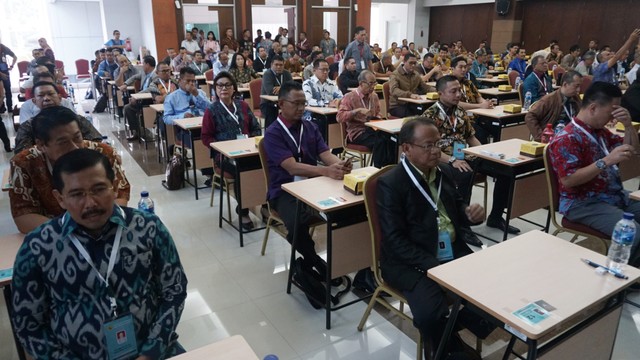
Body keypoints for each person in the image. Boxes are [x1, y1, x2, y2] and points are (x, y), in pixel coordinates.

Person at [11, 148, 187, 359]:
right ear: (60, 198)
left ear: (114, 188)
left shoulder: (147, 227)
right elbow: (27, 324)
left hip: (152, 351)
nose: (91, 203)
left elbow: (175, 290)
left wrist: (152, 350)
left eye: (99, 189)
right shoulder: (38, 246)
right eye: (77, 194)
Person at [377, 116, 491, 359]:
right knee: (430, 314)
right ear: (406, 148)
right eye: (427, 145)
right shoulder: (391, 183)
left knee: (490, 291)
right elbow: (395, 241)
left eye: (438, 144)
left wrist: (469, 215)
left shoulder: (442, 172)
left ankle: (449, 333)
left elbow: (457, 207)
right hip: (411, 261)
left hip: (450, 250)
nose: (436, 151)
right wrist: (436, 268)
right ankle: (444, 343)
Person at [263, 81, 352, 285]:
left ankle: (353, 263)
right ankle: (316, 261)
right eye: (296, 103)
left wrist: (340, 165)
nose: (302, 108)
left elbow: (326, 154)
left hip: (313, 186)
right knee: (297, 222)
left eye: (304, 103)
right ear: (281, 104)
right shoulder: (273, 133)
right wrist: (326, 171)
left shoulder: (310, 126)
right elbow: (292, 167)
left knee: (348, 211)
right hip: (284, 191)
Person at [547, 81, 640, 265]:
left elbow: (632, 150)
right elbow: (568, 180)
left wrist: (629, 126)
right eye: (610, 112)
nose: (612, 118)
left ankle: (633, 266)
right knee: (632, 231)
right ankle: (624, 278)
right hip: (582, 202)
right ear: (593, 108)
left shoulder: (600, 131)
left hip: (611, 195)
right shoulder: (567, 138)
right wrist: (606, 161)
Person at [423, 75, 521, 236]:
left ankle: (496, 217)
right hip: (441, 158)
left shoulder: (461, 111)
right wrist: (452, 160)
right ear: (440, 93)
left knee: (506, 171)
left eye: (459, 91)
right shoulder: (430, 116)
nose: (458, 95)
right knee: (465, 175)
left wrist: (485, 153)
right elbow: (429, 149)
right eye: (453, 91)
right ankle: (462, 224)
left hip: (465, 155)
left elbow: (470, 137)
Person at [10, 107, 129, 234]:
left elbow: (120, 196)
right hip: (54, 235)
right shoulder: (24, 163)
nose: (74, 147)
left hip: (101, 228)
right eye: (63, 142)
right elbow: (23, 216)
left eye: (77, 138)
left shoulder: (103, 153)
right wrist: (72, 232)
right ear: (41, 145)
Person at [202, 72, 262, 229]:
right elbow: (206, 137)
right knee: (240, 171)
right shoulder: (211, 110)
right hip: (224, 156)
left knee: (266, 167)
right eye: (220, 85)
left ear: (234, 88)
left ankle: (266, 206)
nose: (224, 88)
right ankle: (243, 212)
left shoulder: (242, 105)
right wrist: (221, 148)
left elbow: (256, 127)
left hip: (247, 150)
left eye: (227, 85)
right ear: (215, 89)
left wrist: (252, 141)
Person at [15, 80, 100, 153]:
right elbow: (23, 154)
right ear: (34, 101)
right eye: (41, 96)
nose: (46, 98)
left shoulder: (77, 119)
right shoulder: (28, 126)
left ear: (59, 98)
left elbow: (97, 144)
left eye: (50, 94)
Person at [337, 70, 395, 167]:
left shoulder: (374, 96)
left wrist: (377, 117)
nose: (373, 87)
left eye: (374, 83)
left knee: (392, 138)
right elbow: (339, 117)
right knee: (380, 142)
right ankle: (378, 171)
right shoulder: (349, 97)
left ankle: (389, 169)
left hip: (372, 128)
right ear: (361, 84)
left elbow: (378, 113)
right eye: (370, 84)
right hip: (357, 132)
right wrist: (357, 111)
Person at [525, 70, 583, 141]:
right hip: (554, 137)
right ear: (565, 84)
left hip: (572, 135)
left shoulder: (576, 98)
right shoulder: (549, 99)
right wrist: (540, 136)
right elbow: (530, 116)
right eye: (576, 86)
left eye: (580, 86)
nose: (578, 90)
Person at [163, 67, 211, 147]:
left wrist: (197, 95)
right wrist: (182, 116)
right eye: (188, 81)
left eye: (193, 81)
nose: (191, 83)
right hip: (185, 129)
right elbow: (166, 118)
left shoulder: (199, 93)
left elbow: (211, 109)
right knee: (196, 142)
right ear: (180, 81)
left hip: (203, 125)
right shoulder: (172, 97)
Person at [119, 55, 158, 141]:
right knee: (128, 106)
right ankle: (137, 131)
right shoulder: (144, 73)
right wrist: (125, 84)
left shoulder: (155, 75)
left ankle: (138, 131)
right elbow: (134, 77)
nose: (142, 65)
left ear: (147, 64)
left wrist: (137, 96)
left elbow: (151, 89)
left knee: (128, 108)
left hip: (150, 100)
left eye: (143, 63)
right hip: (142, 98)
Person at [388, 53, 429, 118]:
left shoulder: (416, 74)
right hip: (397, 106)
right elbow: (394, 90)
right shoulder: (395, 75)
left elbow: (425, 88)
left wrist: (439, 90)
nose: (413, 65)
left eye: (415, 63)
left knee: (427, 111)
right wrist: (409, 95)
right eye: (410, 63)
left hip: (412, 104)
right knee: (414, 116)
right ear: (404, 62)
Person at [260, 55, 293, 128]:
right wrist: (285, 89)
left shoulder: (286, 73)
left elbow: (292, 88)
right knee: (272, 111)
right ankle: (270, 134)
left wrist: (281, 88)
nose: (278, 67)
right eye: (276, 65)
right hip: (268, 103)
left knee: (294, 110)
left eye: (281, 65)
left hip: (284, 102)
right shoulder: (267, 74)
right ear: (271, 65)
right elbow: (270, 91)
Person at [0, 39, 17, 114]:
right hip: (1, 73)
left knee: (8, 90)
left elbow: (15, 57)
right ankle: (1, 107)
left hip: (5, 72)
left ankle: (10, 107)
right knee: (0, 92)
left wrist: (12, 66)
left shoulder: (3, 48)